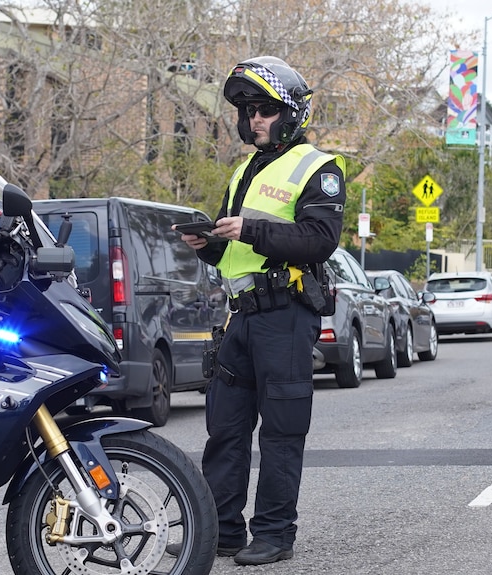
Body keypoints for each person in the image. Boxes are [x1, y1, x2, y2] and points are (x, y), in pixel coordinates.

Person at [175, 56, 345, 565]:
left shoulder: (321, 168)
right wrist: (204, 244)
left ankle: (273, 534)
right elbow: (230, 253)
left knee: (281, 433)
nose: (254, 120)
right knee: (224, 430)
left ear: (292, 113)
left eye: (265, 110)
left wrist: (249, 230)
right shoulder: (243, 169)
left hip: (286, 317)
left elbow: (320, 240)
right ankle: (221, 531)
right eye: (247, 111)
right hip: (239, 317)